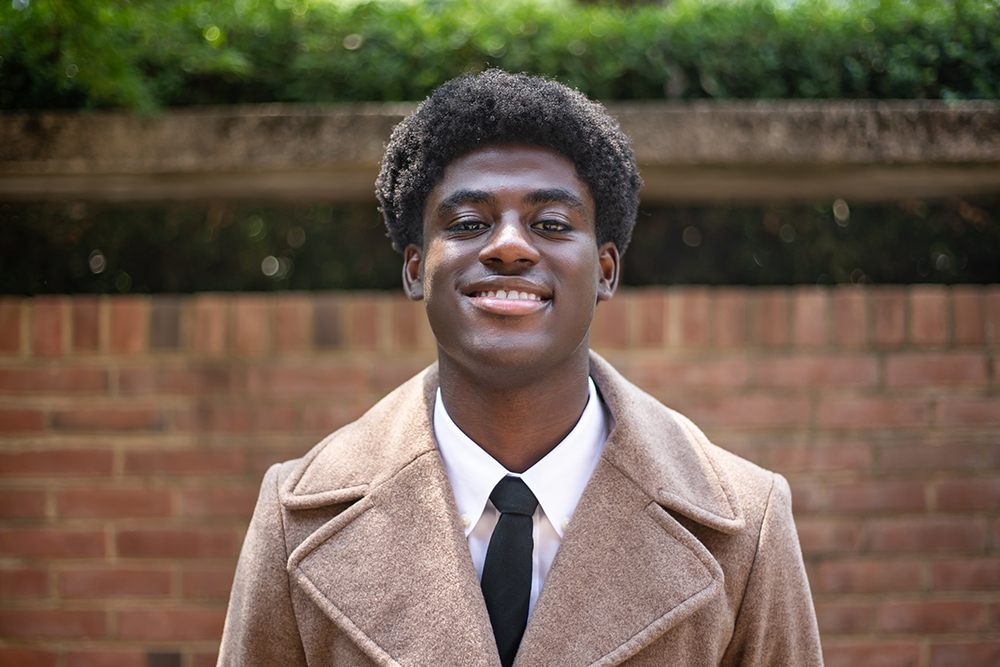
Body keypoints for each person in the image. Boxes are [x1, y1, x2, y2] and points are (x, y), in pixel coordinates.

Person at [217, 70, 823, 667]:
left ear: (606, 271)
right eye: (468, 224)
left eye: (552, 224)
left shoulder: (748, 524)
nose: (509, 246)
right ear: (414, 268)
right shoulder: (293, 518)